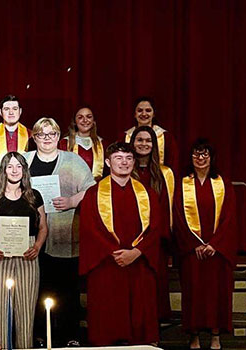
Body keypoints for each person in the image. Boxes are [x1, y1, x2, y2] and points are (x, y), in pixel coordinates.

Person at [79, 142, 161, 346]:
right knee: (108, 318)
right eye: (118, 158)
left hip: (139, 264)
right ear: (108, 162)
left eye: (128, 158)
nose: (124, 163)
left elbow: (156, 228)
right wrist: (114, 253)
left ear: (134, 162)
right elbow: (89, 229)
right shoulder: (94, 194)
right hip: (106, 264)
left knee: (139, 318)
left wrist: (137, 252)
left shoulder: (148, 193)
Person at [23, 117, 94, 347]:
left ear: (58, 136)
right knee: (38, 288)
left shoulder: (72, 161)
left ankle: (70, 336)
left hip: (64, 236)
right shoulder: (23, 161)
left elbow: (92, 190)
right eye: (41, 134)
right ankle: (41, 336)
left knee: (67, 289)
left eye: (51, 134)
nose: (46, 139)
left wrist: (73, 200)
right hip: (31, 237)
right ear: (34, 137)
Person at [173, 139, 236, 350]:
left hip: (217, 251)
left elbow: (230, 217)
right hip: (193, 252)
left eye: (205, 154)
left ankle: (216, 335)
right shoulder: (182, 184)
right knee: (194, 292)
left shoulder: (222, 182)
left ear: (211, 157)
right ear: (190, 158)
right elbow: (178, 217)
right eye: (196, 154)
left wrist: (215, 244)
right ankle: (194, 337)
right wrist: (193, 245)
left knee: (217, 292)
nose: (200, 158)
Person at [0, 152, 48, 349]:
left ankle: (24, 347)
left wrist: (37, 246)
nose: (15, 170)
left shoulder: (34, 196)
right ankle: (0, 346)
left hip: (28, 254)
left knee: (26, 310)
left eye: (19, 166)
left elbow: (43, 227)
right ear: (3, 170)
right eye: (10, 166)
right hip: (0, 254)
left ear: (24, 170)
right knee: (0, 308)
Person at [130, 125, 175, 322]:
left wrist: (156, 239)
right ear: (132, 143)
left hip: (156, 242)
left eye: (148, 140)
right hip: (129, 239)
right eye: (139, 140)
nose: (144, 144)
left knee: (154, 288)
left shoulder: (164, 174)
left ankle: (152, 334)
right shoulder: (124, 170)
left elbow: (166, 210)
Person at [123, 97, 179, 171]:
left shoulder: (166, 138)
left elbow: (173, 166)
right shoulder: (125, 137)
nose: (144, 114)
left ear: (154, 114)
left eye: (148, 110)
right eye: (140, 110)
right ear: (134, 114)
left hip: (158, 179)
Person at [58, 106, 106, 180]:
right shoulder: (64, 143)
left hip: (97, 188)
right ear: (74, 121)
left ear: (93, 121)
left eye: (89, 117)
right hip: (72, 188)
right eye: (80, 117)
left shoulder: (102, 144)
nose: (85, 120)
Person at [0, 95, 30, 167]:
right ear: (0, 112)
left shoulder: (31, 135)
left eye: (15, 109)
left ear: (20, 111)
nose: (11, 112)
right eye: (6, 109)